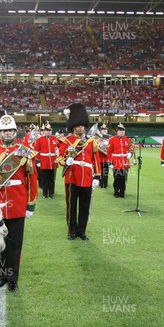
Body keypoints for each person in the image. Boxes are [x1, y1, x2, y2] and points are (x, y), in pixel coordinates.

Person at [0, 114, 37, 292]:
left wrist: (30, 204)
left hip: (18, 203)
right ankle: (3, 276)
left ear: (15, 131)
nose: (7, 133)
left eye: (10, 130)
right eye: (4, 131)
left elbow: (32, 179)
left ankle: (13, 278)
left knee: (15, 244)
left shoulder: (24, 151)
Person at [57, 103, 101, 241]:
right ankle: (72, 231)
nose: (80, 127)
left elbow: (96, 160)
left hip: (87, 178)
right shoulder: (67, 141)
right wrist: (66, 162)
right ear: (73, 127)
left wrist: (97, 177)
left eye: (82, 125)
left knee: (84, 207)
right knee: (71, 207)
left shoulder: (91, 142)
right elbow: (59, 158)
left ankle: (82, 231)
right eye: (77, 126)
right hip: (72, 177)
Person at [107, 123, 133, 198]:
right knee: (117, 178)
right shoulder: (112, 140)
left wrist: (130, 153)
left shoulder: (127, 139)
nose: (122, 132)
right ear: (117, 131)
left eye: (123, 131)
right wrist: (110, 163)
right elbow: (109, 152)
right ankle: (116, 192)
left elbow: (131, 148)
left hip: (125, 161)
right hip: (116, 162)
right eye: (120, 130)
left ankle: (122, 192)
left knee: (124, 178)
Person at [33, 122, 58, 198]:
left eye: (49, 130)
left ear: (51, 131)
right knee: (44, 179)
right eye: (47, 130)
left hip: (53, 162)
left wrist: (57, 153)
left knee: (52, 179)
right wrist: (39, 160)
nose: (48, 132)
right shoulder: (40, 139)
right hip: (44, 162)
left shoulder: (55, 139)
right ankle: (45, 194)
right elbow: (36, 150)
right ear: (44, 131)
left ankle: (51, 193)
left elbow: (59, 148)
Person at [97, 124, 110, 189]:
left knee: (106, 172)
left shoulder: (110, 138)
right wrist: (99, 142)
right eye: (103, 129)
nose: (104, 131)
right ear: (101, 131)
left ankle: (105, 184)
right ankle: (100, 183)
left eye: (105, 130)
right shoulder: (97, 138)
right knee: (100, 172)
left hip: (106, 158)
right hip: (99, 158)